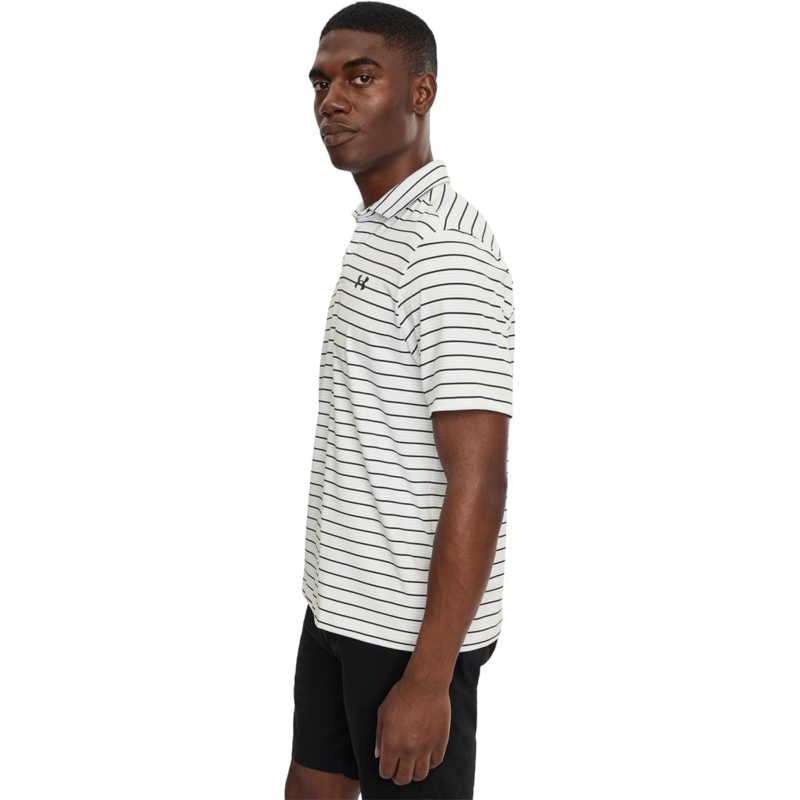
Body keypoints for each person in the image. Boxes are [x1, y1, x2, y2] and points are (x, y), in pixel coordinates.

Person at [286, 3, 515, 798]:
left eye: (360, 78)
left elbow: (480, 479)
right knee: (311, 785)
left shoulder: (445, 250)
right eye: (320, 82)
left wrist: (429, 676)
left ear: (421, 93)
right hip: (341, 605)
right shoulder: (383, 227)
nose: (331, 101)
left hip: (407, 638)